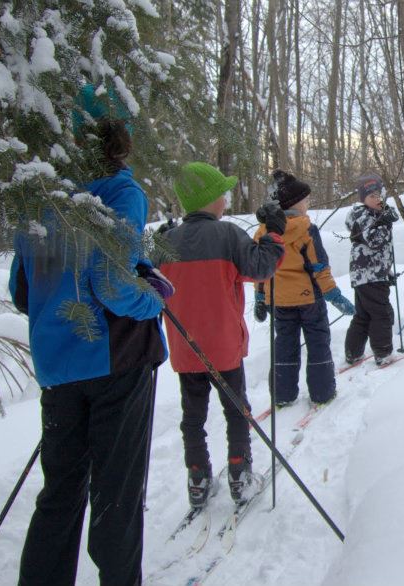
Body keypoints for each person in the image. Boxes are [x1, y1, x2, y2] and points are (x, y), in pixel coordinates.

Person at [11, 85, 168, 586]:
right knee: (116, 494)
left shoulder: (43, 196)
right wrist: (157, 295)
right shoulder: (120, 191)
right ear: (119, 138)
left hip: (57, 367)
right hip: (114, 361)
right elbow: (112, 285)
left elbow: (21, 290)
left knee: (59, 495)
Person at [157, 162, 286, 508]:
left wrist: (160, 242)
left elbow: (152, 289)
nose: (227, 199)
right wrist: (274, 234)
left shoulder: (166, 244)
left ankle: (197, 479)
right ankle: (239, 475)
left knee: (193, 417)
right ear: (210, 200)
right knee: (236, 411)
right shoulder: (227, 235)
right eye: (222, 194)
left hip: (186, 349)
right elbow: (261, 268)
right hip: (224, 348)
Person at [253, 169, 354, 406]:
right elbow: (319, 266)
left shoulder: (263, 231)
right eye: (306, 200)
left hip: (279, 300)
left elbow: (260, 267)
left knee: (284, 344)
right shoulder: (306, 229)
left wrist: (260, 297)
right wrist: (334, 295)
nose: (308, 204)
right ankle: (323, 392)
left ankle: (282, 394)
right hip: (310, 301)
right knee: (318, 343)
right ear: (296, 203)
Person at [343, 173, 400, 366]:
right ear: (363, 199)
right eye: (371, 196)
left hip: (370, 275)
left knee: (364, 315)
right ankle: (383, 353)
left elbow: (392, 217)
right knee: (381, 314)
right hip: (369, 276)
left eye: (379, 195)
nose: (377, 199)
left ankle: (353, 352)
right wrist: (384, 222)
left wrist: (387, 273)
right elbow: (375, 241)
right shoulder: (363, 216)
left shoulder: (375, 213)